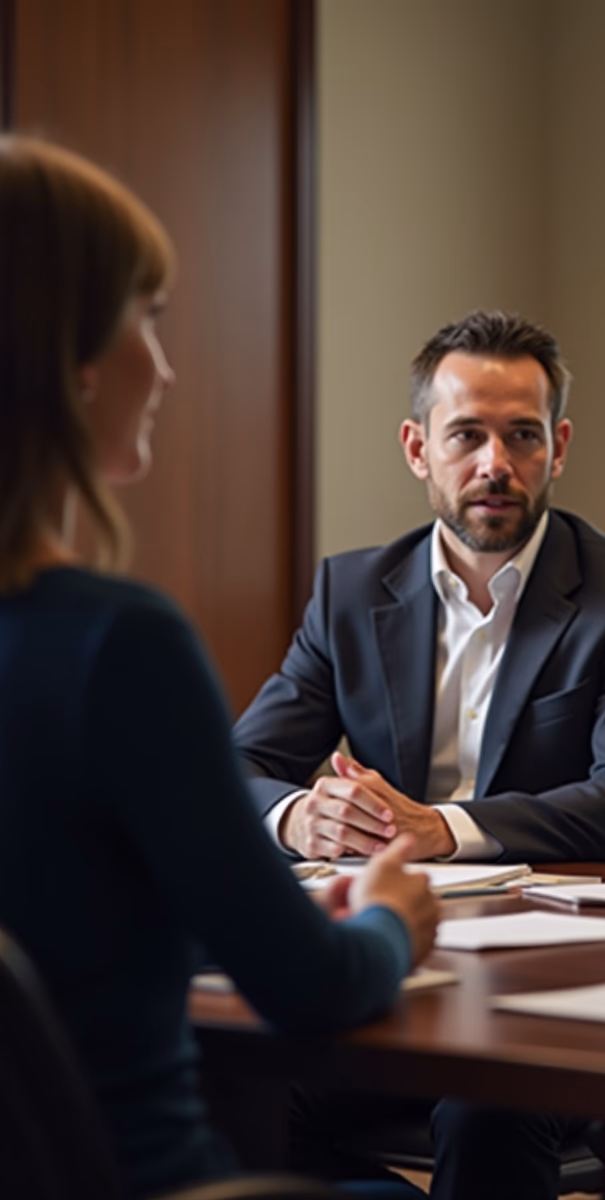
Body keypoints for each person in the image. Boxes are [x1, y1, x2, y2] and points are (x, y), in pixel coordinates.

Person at [0, 135, 438, 1200]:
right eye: (148, 316)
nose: (167, 365)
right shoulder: (116, 643)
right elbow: (311, 987)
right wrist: (388, 917)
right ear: (71, 356)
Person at [233, 309, 605, 865]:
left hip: (550, 910)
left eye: (522, 435)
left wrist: (441, 828)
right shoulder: (350, 594)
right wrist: (297, 818)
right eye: (466, 435)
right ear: (417, 450)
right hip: (388, 900)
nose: (494, 465)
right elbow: (239, 765)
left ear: (559, 447)